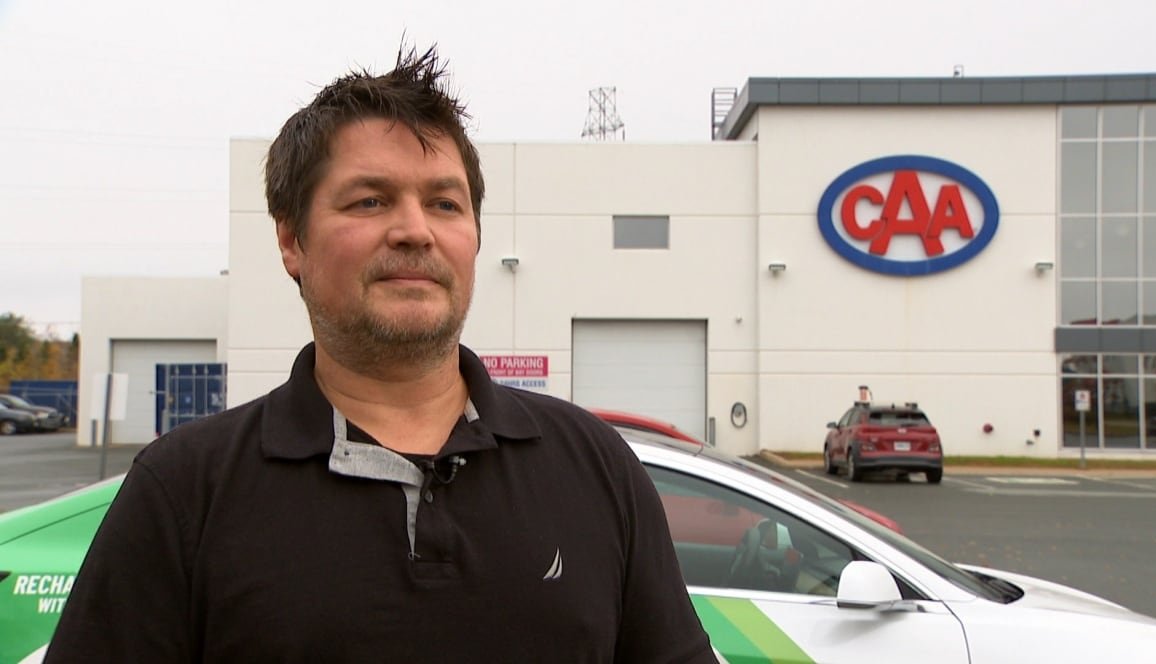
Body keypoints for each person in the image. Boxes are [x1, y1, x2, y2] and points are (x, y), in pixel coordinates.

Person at [46, 46, 715, 663]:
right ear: (291, 241)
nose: (414, 230)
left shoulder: (597, 469)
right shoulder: (185, 492)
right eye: (370, 200)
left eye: (444, 203)